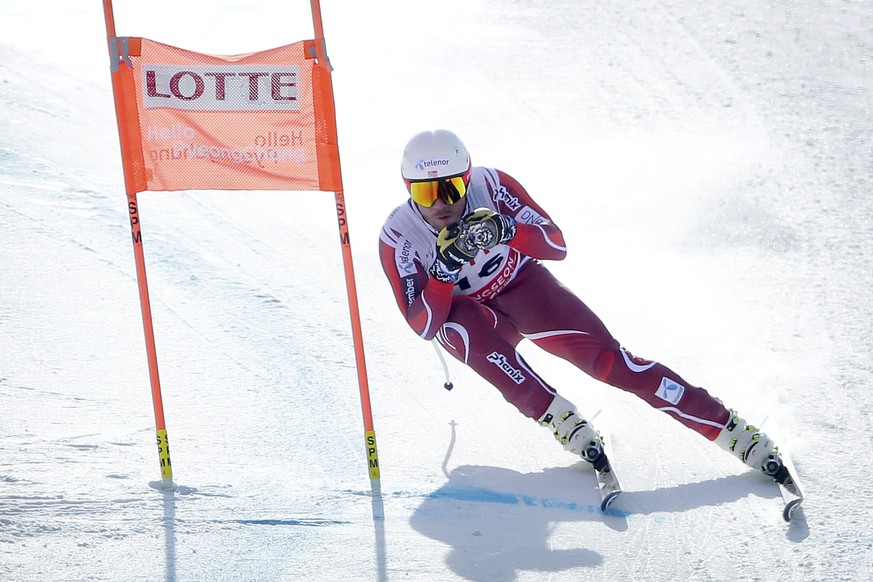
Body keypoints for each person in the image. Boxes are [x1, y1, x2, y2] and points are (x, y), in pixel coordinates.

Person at [378, 129, 788, 482]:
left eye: (451, 188)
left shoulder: (492, 185)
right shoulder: (400, 236)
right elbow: (423, 325)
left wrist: (508, 230)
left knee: (610, 363)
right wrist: (442, 275)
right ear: (406, 188)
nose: (439, 203)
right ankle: (561, 418)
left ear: (468, 179)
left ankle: (727, 426)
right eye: (425, 191)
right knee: (454, 325)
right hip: (475, 319)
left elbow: (555, 245)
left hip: (520, 286)